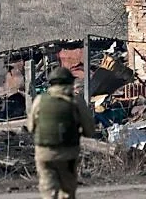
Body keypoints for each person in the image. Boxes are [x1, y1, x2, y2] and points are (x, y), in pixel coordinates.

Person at [27, 67, 95, 199]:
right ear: (70, 82)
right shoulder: (76, 101)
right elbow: (89, 130)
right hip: (68, 153)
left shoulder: (40, 100)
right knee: (68, 191)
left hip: (44, 153)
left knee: (48, 190)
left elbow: (30, 127)